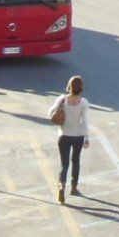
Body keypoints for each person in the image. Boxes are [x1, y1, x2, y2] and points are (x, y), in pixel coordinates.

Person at [48, 75, 91, 204]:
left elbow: (50, 111)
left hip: (63, 135)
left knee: (64, 164)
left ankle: (61, 186)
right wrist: (87, 138)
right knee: (75, 161)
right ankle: (73, 188)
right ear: (81, 88)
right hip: (78, 136)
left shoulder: (62, 99)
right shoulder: (83, 102)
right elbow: (85, 121)